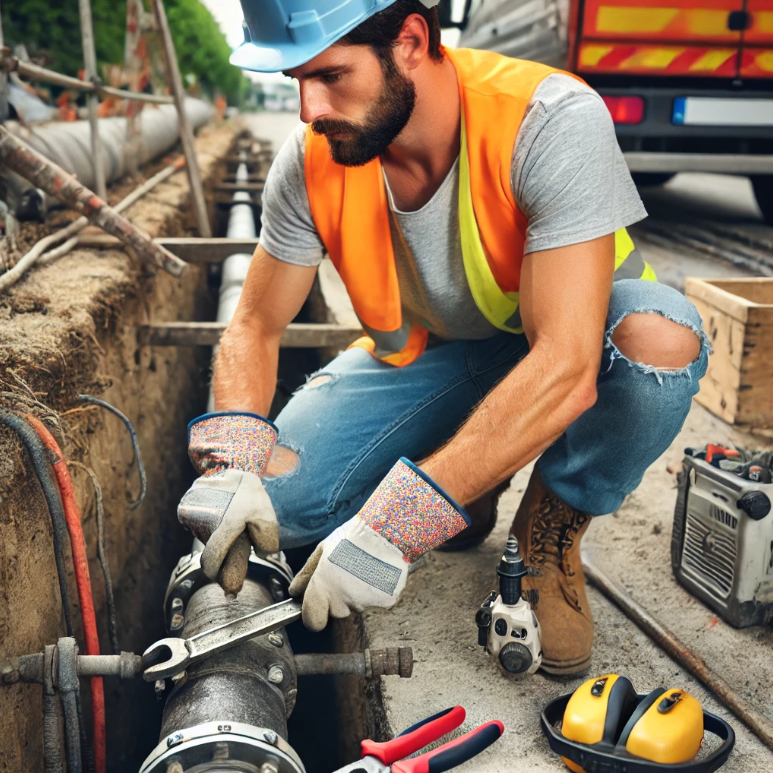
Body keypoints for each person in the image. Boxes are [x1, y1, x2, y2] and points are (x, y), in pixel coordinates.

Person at [178, 0, 709, 675]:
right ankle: (470, 480)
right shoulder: (315, 155)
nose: (308, 106)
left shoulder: (545, 119)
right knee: (281, 509)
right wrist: (234, 467)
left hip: (577, 338)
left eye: (331, 75)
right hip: (447, 354)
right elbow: (254, 323)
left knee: (660, 344)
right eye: (294, 80)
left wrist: (397, 526)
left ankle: (549, 526)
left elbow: (567, 366)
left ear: (408, 41)